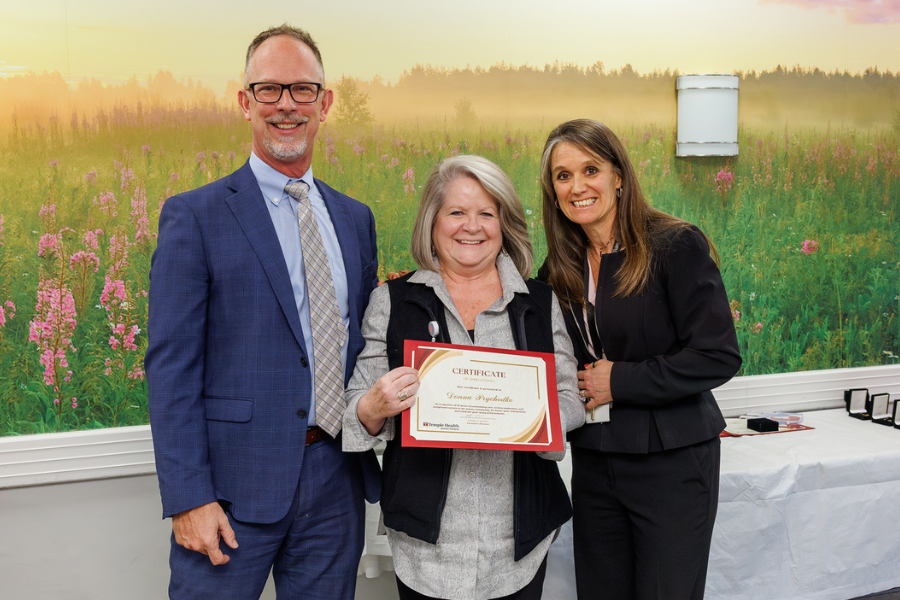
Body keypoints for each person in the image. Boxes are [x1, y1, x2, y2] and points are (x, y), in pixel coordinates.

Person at [146, 24, 380, 600]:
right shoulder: (194, 217)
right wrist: (188, 497)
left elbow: (363, 342)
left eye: (302, 90)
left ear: (325, 104)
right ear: (245, 101)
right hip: (229, 493)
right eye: (269, 90)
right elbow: (170, 367)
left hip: (335, 481)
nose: (285, 106)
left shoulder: (355, 219)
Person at [342, 155, 584, 600]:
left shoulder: (539, 302)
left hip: (520, 540)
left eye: (486, 214)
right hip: (425, 545)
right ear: (432, 222)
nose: (471, 226)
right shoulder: (392, 302)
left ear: (503, 223)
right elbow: (358, 404)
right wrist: (374, 405)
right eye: (456, 212)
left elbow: (569, 396)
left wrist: (546, 423)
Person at [538, 119, 741, 600]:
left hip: (671, 463)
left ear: (619, 175)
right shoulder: (557, 268)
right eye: (563, 176)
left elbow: (717, 356)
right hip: (594, 460)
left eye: (591, 169)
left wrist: (621, 381)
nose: (578, 186)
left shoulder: (674, 245)